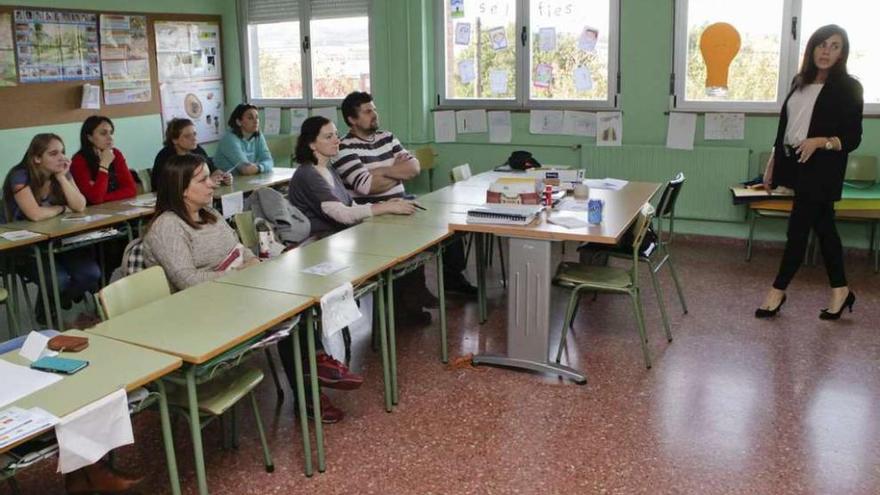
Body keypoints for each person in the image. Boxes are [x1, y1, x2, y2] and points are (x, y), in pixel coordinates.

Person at [334, 92, 476, 324]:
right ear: (352, 119)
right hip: (373, 213)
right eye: (368, 111)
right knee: (409, 239)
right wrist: (394, 170)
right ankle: (409, 302)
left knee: (448, 223)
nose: (374, 115)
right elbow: (366, 187)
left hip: (402, 202)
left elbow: (413, 168)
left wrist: (380, 171)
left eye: (374, 109)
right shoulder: (344, 148)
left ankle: (452, 280)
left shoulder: (387, 137)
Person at [756, 24, 862, 320]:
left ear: (843, 52)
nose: (826, 51)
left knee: (798, 230)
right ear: (812, 48)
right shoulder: (799, 81)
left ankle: (777, 291)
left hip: (823, 167)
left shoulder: (849, 87)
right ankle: (840, 290)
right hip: (795, 163)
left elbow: (853, 137)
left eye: (835, 45)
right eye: (821, 44)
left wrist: (821, 142)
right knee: (825, 229)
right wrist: (772, 163)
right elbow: (787, 128)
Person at [2, 134, 101, 325]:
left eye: (63, 152)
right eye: (54, 154)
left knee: (90, 274)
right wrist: (61, 208)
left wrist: (62, 178)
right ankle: (49, 309)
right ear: (37, 158)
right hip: (25, 247)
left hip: (56, 241)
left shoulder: (61, 172)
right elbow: (35, 214)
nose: (62, 158)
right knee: (59, 280)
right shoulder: (19, 175)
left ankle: (54, 303)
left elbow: (80, 205)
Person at [142, 153, 259, 291]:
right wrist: (237, 274)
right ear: (182, 189)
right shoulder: (168, 226)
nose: (212, 184)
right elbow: (187, 281)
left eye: (209, 177)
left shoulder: (211, 213)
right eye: (203, 180)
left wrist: (253, 261)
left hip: (228, 288)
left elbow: (238, 248)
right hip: (195, 302)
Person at [288, 115, 418, 238]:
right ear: (312, 144)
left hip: (337, 237)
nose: (337, 140)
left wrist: (384, 204)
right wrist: (385, 208)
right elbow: (342, 214)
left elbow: (351, 206)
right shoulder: (308, 174)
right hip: (317, 241)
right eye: (328, 137)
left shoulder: (329, 169)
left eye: (336, 135)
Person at [70, 115, 137, 205]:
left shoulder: (116, 154)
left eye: (111, 133)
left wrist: (103, 197)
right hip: (93, 214)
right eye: (103, 133)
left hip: (117, 207)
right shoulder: (78, 161)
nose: (110, 138)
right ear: (89, 137)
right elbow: (95, 198)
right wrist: (104, 165)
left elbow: (131, 190)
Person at [152, 117, 231, 191]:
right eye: (187, 136)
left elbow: (213, 169)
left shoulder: (197, 150)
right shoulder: (165, 157)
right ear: (174, 140)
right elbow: (169, 186)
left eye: (194, 134)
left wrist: (224, 176)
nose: (194, 138)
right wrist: (207, 181)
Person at [214, 103, 274, 176]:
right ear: (239, 122)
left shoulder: (258, 135)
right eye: (250, 118)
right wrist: (261, 167)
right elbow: (245, 169)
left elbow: (269, 161)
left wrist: (259, 167)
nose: (256, 121)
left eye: (257, 117)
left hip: (247, 181)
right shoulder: (229, 139)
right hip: (225, 184)